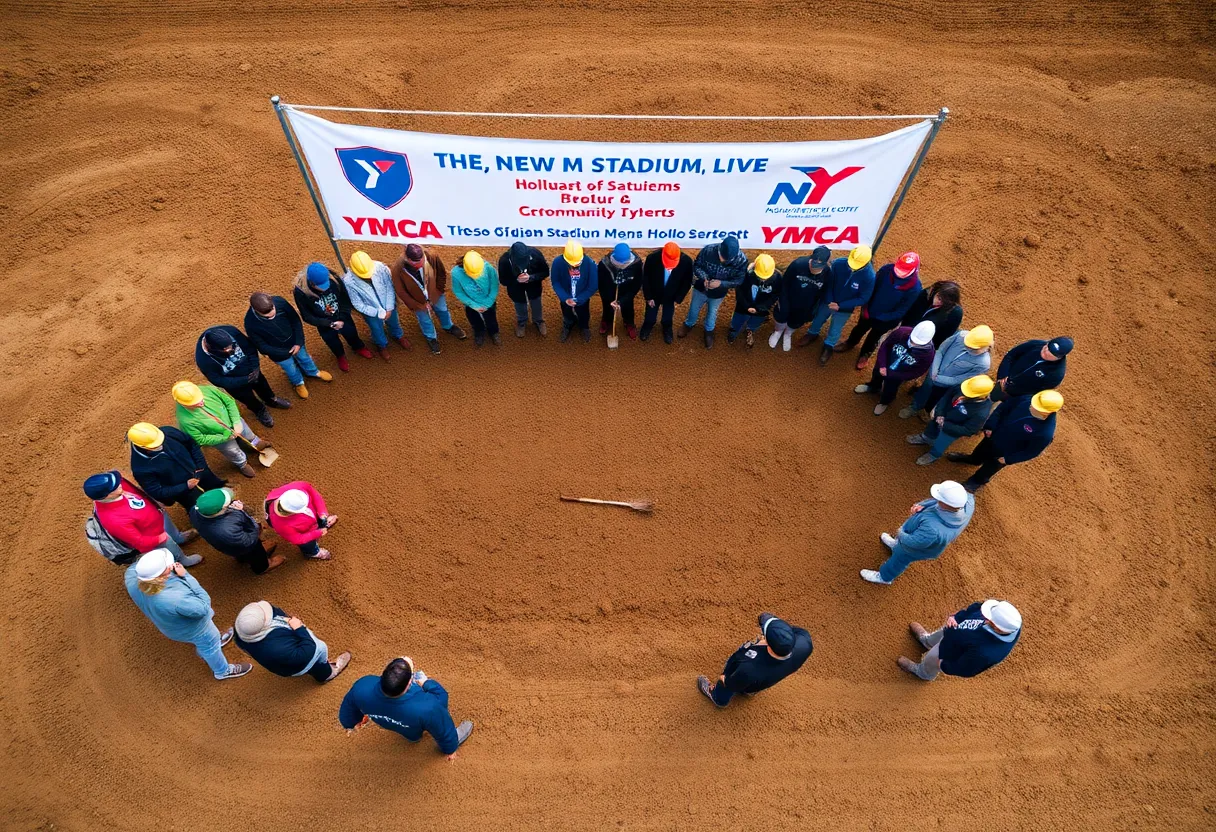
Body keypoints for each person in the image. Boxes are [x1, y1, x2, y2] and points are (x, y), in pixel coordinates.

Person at [124, 548, 252, 680]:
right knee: (210, 646)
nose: (171, 565)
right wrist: (185, 575)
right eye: (167, 566)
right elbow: (203, 607)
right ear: (160, 577)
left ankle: (211, 645)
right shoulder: (174, 599)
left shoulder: (131, 575)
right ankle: (222, 671)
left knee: (205, 643)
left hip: (171, 627)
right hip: (196, 630)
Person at [338, 656, 474, 759]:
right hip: (412, 722)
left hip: (389, 722)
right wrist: (426, 683)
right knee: (431, 721)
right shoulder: (427, 707)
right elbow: (442, 712)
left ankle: (413, 739)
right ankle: (441, 741)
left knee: (410, 733)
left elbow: (348, 708)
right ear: (410, 683)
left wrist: (351, 723)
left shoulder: (363, 685)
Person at [860, 480, 975, 585]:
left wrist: (901, 533)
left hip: (911, 549)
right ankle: (896, 545)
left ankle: (884, 577)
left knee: (899, 560)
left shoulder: (933, 529)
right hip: (917, 536)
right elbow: (936, 502)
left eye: (940, 499)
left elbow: (914, 542)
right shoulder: (967, 501)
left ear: (946, 503)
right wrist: (922, 505)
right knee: (900, 546)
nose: (936, 499)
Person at [947, 389, 1062, 491]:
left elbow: (1031, 452)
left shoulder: (1045, 433)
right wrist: (990, 425)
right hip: (993, 436)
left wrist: (1008, 459)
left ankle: (976, 482)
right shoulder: (1027, 399)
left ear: (1046, 412)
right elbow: (1003, 408)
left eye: (1035, 406)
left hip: (1004, 453)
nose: (1031, 406)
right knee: (980, 451)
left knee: (989, 468)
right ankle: (973, 460)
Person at [84, 471, 202, 567]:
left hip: (157, 518)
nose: (119, 483)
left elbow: (136, 491)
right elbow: (140, 542)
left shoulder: (117, 488)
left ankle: (178, 537)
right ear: (106, 495)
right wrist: (160, 538)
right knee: (169, 546)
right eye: (114, 486)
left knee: (171, 534)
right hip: (155, 536)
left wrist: (153, 501)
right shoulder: (113, 520)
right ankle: (182, 560)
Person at [697, 612, 813, 708]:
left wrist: (724, 679)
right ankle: (750, 691)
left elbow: (730, 684)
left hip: (745, 676)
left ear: (769, 644)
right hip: (769, 677)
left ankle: (718, 698)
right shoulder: (805, 643)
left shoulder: (749, 668)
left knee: (728, 683)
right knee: (756, 682)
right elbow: (786, 633)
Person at [837, 251, 922, 370]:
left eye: (904, 271)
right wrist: (865, 307)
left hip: (886, 320)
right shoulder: (886, 270)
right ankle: (850, 342)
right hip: (869, 311)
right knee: (859, 328)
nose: (899, 272)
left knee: (874, 337)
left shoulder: (915, 288)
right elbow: (871, 287)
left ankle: (865, 354)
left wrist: (882, 317)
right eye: (899, 268)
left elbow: (902, 310)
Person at [898, 599, 1022, 681]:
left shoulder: (987, 654)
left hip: (951, 651)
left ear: (998, 628)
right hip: (954, 630)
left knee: (932, 658)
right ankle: (927, 641)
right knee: (940, 633)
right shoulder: (998, 611)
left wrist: (944, 665)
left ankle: (923, 673)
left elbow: (966, 669)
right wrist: (957, 617)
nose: (983, 617)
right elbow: (976, 608)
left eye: (989, 620)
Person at [195, 325, 290, 428]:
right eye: (226, 349)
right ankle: (259, 410)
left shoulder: (231, 331)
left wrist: (255, 367)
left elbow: (250, 348)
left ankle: (271, 399)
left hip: (251, 370)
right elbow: (218, 380)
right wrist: (244, 380)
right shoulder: (203, 359)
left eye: (232, 345)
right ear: (212, 349)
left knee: (262, 384)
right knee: (247, 398)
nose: (231, 349)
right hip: (235, 384)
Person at [234, 600, 351, 683]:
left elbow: (274, 611)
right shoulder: (276, 650)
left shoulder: (241, 632)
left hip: (283, 655)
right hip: (298, 660)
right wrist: (299, 629)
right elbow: (308, 651)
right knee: (318, 651)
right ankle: (326, 673)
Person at [173, 380, 270, 479]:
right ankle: (242, 463)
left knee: (247, 433)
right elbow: (200, 439)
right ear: (184, 404)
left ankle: (256, 443)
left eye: (200, 399)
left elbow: (229, 402)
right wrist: (224, 438)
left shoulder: (208, 389)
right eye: (195, 403)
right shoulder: (184, 421)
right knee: (232, 451)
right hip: (219, 437)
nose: (201, 403)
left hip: (233, 421)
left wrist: (236, 421)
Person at [244, 292, 332, 399]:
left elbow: (296, 321)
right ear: (255, 310)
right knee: (291, 369)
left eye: (272, 309)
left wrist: (298, 342)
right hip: (279, 354)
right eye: (266, 315)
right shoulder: (250, 323)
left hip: (295, 343)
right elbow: (261, 346)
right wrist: (285, 353)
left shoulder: (280, 302)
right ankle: (298, 383)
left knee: (305, 358)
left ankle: (313, 372)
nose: (272, 314)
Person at [900, 325, 994, 420]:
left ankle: (926, 411)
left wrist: (938, 378)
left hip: (946, 386)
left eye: (972, 347)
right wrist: (934, 371)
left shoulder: (983, 364)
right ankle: (915, 407)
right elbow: (941, 351)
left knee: (937, 399)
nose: (967, 346)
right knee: (925, 389)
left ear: (985, 347)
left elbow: (960, 379)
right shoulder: (961, 335)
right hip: (933, 373)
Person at [293, 261, 372, 373]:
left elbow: (345, 300)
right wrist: (329, 324)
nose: (326, 287)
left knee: (351, 333)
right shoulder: (301, 292)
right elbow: (307, 316)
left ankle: (358, 347)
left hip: (342, 316)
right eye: (321, 286)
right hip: (324, 323)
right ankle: (340, 355)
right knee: (332, 341)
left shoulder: (334, 278)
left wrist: (342, 317)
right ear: (312, 283)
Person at [804, 245, 876, 365]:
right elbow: (829, 282)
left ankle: (828, 346)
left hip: (844, 308)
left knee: (836, 328)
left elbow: (863, 298)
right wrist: (830, 300)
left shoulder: (869, 277)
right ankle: (812, 334)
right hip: (828, 301)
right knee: (818, 318)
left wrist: (840, 305)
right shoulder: (838, 263)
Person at [128, 422, 224, 510]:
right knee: (199, 507)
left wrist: (200, 466)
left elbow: (192, 444)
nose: (161, 443)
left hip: (199, 470)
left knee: (215, 486)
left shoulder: (168, 432)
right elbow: (158, 491)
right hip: (183, 491)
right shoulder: (140, 468)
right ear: (142, 446)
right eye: (156, 444)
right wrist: (185, 486)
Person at [189, 487, 285, 574]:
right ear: (220, 511)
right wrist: (242, 511)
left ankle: (243, 558)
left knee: (241, 553)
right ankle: (263, 567)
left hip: (228, 544)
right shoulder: (227, 530)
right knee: (254, 552)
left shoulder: (196, 509)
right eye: (229, 503)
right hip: (244, 544)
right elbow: (250, 540)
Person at [392, 243, 466, 355]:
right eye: (416, 263)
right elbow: (401, 291)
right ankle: (431, 337)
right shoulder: (397, 269)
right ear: (408, 259)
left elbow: (441, 273)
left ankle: (448, 326)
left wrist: (439, 290)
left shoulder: (432, 255)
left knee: (443, 310)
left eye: (422, 260)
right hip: (417, 300)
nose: (421, 264)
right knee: (424, 319)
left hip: (435, 293)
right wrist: (417, 305)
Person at [906, 375, 994, 465]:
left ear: (981, 396)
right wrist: (939, 413)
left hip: (952, 431)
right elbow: (946, 397)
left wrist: (945, 425)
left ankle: (933, 455)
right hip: (941, 416)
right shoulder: (964, 387)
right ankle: (926, 438)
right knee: (931, 428)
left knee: (941, 443)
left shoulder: (981, 413)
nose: (963, 392)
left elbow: (969, 430)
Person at [853, 321, 936, 415]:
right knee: (876, 375)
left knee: (891, 388)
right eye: (912, 339)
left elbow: (918, 371)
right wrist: (882, 364)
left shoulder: (929, 354)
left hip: (898, 375)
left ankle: (885, 402)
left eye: (918, 343)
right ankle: (872, 387)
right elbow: (885, 346)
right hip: (884, 364)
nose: (913, 343)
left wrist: (896, 375)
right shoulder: (901, 332)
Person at [678, 235, 747, 349]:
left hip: (718, 293)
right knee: (693, 308)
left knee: (712, 313)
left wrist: (721, 283)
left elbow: (738, 280)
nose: (722, 260)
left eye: (726, 259)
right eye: (721, 256)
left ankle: (709, 331)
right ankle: (689, 324)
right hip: (701, 288)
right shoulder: (708, 250)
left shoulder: (741, 261)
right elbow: (697, 266)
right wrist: (704, 277)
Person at [344, 250, 410, 360]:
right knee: (376, 328)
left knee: (394, 321)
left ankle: (398, 335)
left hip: (388, 304)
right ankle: (381, 345)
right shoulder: (348, 282)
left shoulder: (380, 268)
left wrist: (389, 307)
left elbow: (389, 287)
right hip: (371, 312)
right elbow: (358, 304)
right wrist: (378, 313)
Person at [777, 245, 831, 352]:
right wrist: (783, 301)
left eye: (818, 267)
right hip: (790, 298)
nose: (814, 269)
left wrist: (814, 308)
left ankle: (788, 334)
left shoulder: (827, 272)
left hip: (806, 304)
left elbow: (824, 292)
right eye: (813, 265)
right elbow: (785, 283)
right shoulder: (798, 264)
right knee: (781, 316)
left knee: (797, 321)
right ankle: (777, 331)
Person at [264, 481, 337, 561]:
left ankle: (324, 523)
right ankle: (313, 553)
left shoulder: (299, 486)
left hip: (312, 519)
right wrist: (317, 533)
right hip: (304, 532)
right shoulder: (281, 525)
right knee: (308, 545)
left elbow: (315, 495)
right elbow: (298, 539)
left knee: (320, 519)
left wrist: (323, 513)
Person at [640, 241, 693, 344]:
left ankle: (667, 328)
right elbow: (645, 278)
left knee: (668, 316)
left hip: (671, 295)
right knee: (650, 316)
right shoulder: (652, 258)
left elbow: (687, 281)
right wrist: (648, 297)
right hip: (654, 294)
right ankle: (647, 326)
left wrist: (678, 297)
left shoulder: (686, 261)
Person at [992, 336, 1072, 402]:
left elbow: (1037, 392)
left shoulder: (1056, 374)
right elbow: (1011, 355)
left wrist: (1012, 394)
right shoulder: (1035, 344)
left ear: (1059, 357)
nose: (1045, 351)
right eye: (1047, 347)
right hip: (1002, 381)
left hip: (1016, 396)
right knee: (991, 397)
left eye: (1051, 353)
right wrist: (1002, 376)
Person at [727, 254, 782, 347]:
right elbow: (739, 291)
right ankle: (733, 332)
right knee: (737, 320)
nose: (763, 279)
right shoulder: (746, 274)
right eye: (760, 276)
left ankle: (750, 330)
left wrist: (760, 307)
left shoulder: (777, 278)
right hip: (743, 306)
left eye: (765, 277)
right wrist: (746, 306)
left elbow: (774, 295)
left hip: (761, 309)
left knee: (755, 322)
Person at [497, 241, 549, 338]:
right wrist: (516, 280)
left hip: (534, 285)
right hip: (515, 288)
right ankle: (522, 322)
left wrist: (531, 277)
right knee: (519, 304)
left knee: (536, 302)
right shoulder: (504, 260)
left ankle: (539, 321)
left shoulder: (536, 254)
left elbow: (545, 272)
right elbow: (503, 281)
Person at [450, 250, 501, 347]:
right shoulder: (456, 273)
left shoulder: (489, 268)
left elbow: (494, 286)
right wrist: (474, 305)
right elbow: (459, 292)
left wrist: (487, 303)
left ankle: (494, 332)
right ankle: (479, 332)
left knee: (491, 318)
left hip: (488, 302)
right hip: (471, 304)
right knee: (474, 319)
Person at [550, 241, 598, 343]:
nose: (574, 265)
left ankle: (584, 327)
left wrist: (581, 299)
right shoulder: (557, 262)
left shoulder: (590, 263)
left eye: (577, 263)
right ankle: (568, 324)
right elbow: (556, 282)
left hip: (583, 299)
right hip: (565, 298)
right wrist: (565, 298)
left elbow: (593, 285)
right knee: (566, 312)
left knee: (584, 313)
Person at [597, 243, 643, 340]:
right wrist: (609, 299)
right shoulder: (604, 264)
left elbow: (636, 285)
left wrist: (621, 301)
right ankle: (606, 321)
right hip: (609, 291)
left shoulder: (637, 264)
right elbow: (601, 284)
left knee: (628, 308)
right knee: (607, 307)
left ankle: (629, 323)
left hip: (627, 291)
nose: (622, 265)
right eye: (619, 263)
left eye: (624, 263)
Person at [901, 280, 962, 348]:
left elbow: (942, 337)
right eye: (939, 298)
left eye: (944, 302)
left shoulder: (955, 314)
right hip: (907, 333)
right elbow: (910, 315)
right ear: (936, 292)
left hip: (925, 344)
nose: (939, 302)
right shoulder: (926, 295)